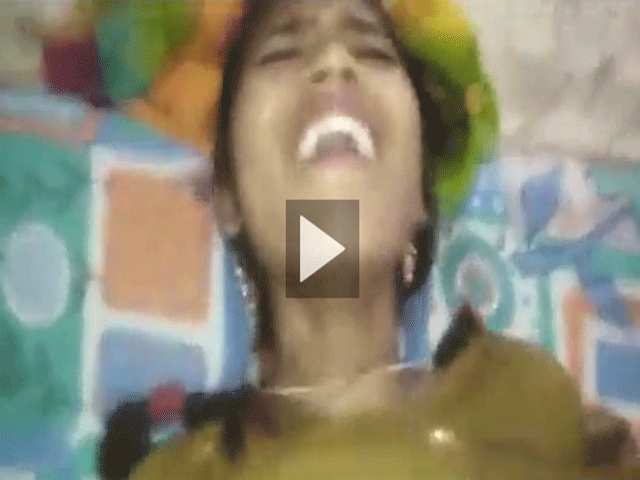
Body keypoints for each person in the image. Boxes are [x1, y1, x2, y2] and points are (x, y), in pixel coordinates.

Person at [115, 0, 635, 478]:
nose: (335, 61)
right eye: (281, 53)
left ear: (420, 202)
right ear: (227, 197)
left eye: (372, 51)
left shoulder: (530, 403)